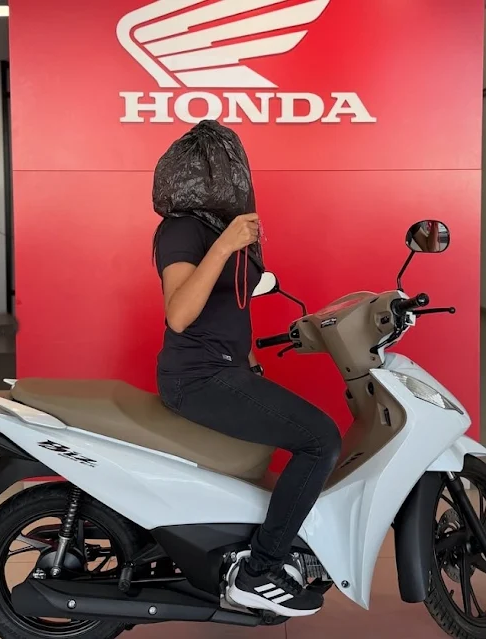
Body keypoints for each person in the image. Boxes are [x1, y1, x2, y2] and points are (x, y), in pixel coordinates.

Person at [153, 122, 341, 618]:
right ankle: (259, 571)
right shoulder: (182, 229)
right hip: (196, 377)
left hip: (227, 369)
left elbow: (232, 308)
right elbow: (179, 314)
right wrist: (223, 246)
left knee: (296, 435)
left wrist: (253, 365)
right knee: (321, 440)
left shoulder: (222, 230)